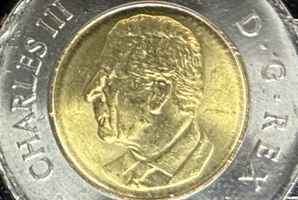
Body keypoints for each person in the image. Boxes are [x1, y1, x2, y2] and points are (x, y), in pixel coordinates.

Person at [83, 13, 213, 190]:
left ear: (159, 94)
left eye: (110, 78)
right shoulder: (110, 174)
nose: (90, 93)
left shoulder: (205, 169)